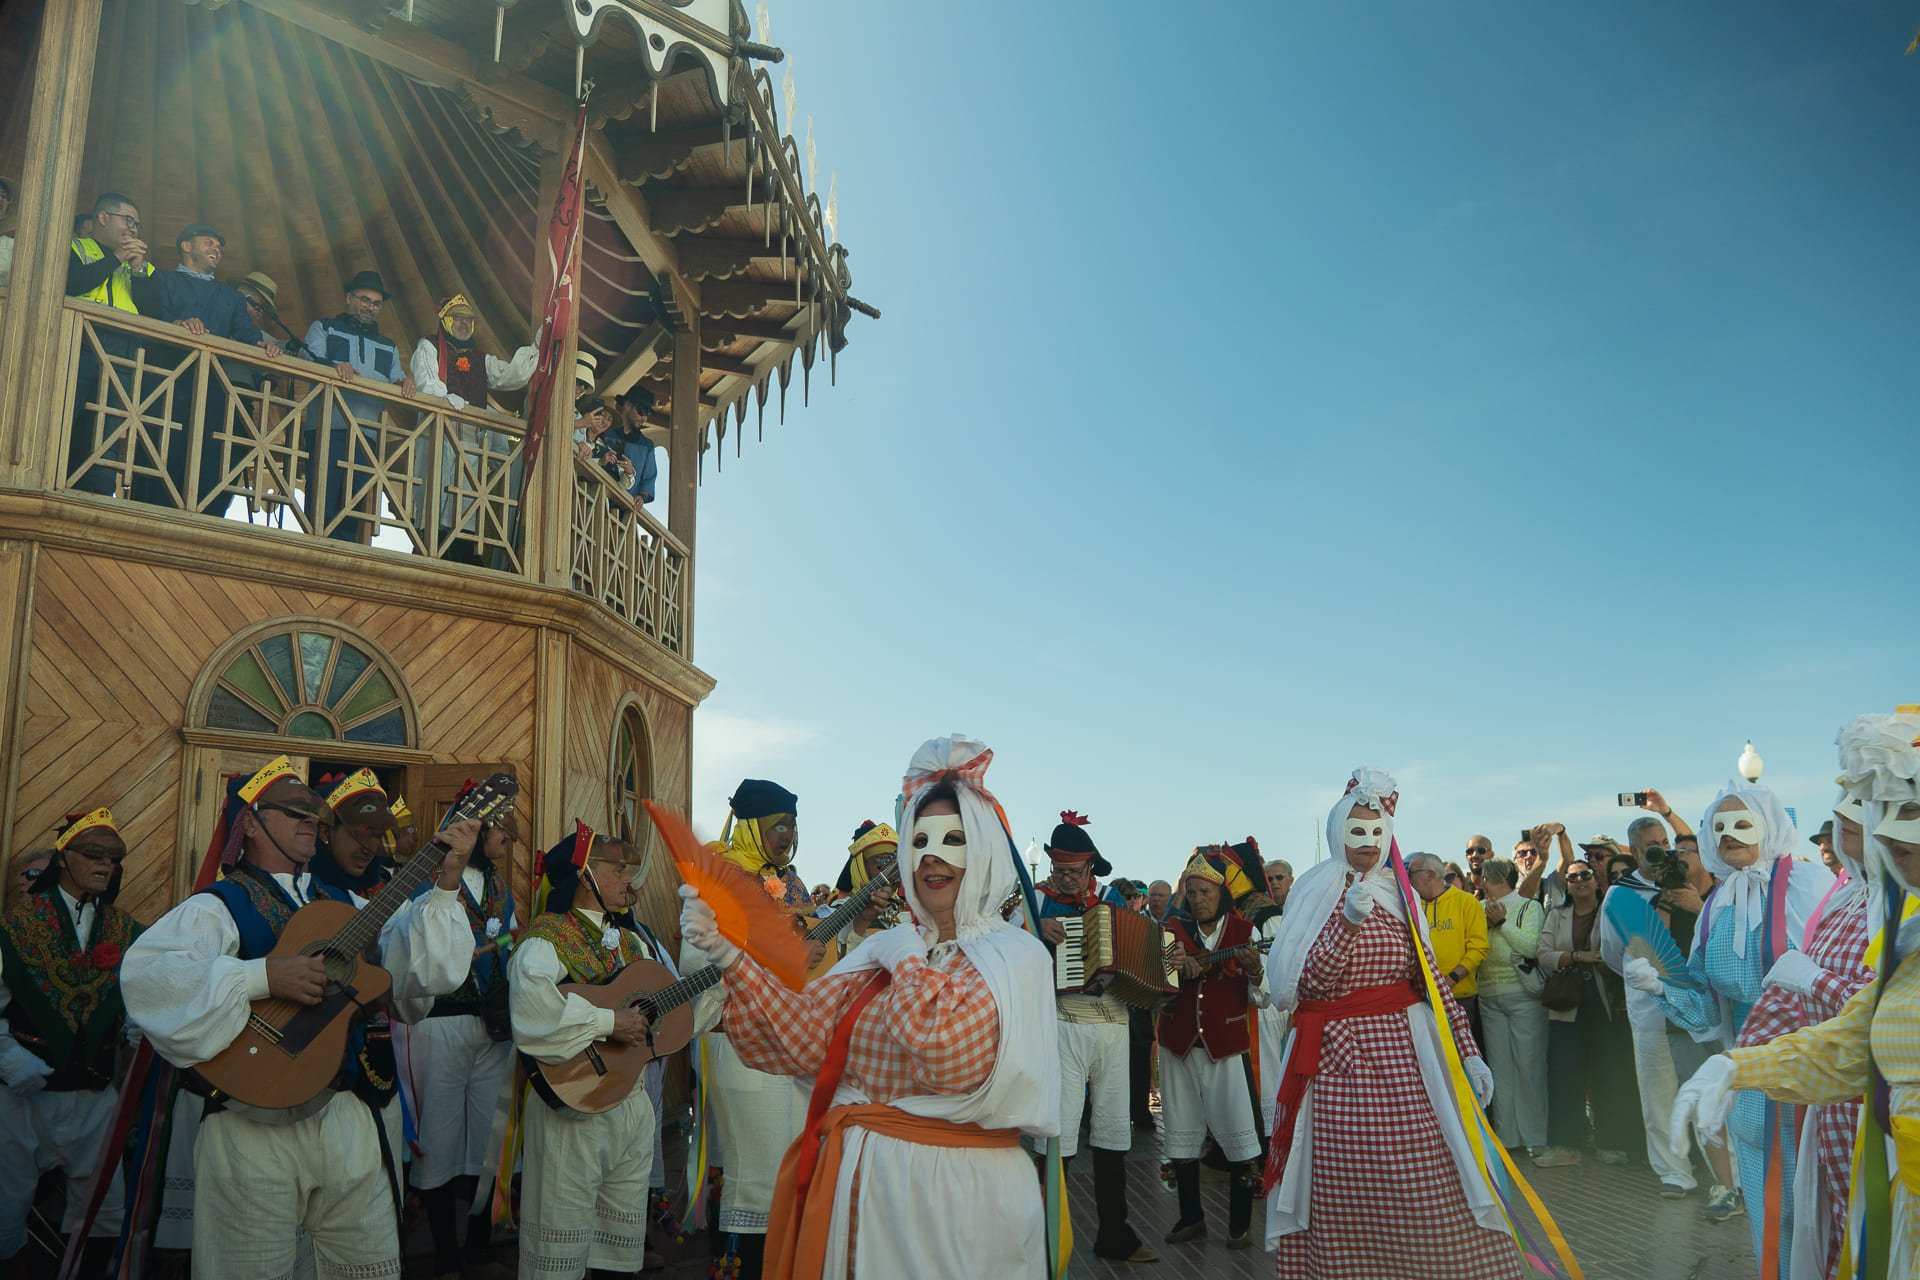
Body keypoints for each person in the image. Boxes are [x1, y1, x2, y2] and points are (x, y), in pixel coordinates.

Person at [677, 734, 1060, 1279]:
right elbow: (804, 1035)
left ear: (982, 851)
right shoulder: (886, 947)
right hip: (868, 1204)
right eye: (920, 839)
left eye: (953, 839)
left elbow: (948, 1055)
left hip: (959, 1205)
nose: (932, 856)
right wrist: (731, 958)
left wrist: (906, 958)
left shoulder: (1013, 957)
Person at [119, 757, 475, 1279]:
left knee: (364, 1267)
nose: (313, 821)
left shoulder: (349, 905)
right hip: (252, 1122)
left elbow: (424, 976)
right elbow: (151, 981)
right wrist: (263, 977)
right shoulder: (218, 907)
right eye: (297, 811)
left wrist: (445, 886)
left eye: (316, 812)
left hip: (347, 1114)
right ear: (251, 823)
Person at [1670, 712, 1920, 1277]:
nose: (1881, 832)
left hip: (1856, 1121)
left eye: (1905, 810)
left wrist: (1808, 986)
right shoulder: (1879, 913)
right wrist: (1735, 1065)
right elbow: (1857, 1038)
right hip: (1821, 1103)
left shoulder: (1815, 888)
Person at [1263, 767, 1524, 1280]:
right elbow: (1305, 985)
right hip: (1338, 1061)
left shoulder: (1399, 894)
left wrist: (1468, 1051)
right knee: (1349, 1184)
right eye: (1357, 831)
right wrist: (1345, 925)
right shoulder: (1316, 892)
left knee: (1432, 1174)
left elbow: (1430, 977)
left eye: (1377, 831)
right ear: (1339, 831)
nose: (1367, 842)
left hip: (1410, 1054)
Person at [1624, 780, 1835, 1264]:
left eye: (1743, 824)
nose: (1729, 835)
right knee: (1769, 1210)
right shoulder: (1717, 906)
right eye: (1719, 827)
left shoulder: (1811, 887)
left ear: (1769, 827)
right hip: (1746, 1076)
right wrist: (1660, 987)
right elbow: (1705, 1003)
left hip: (1810, 1074)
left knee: (1813, 1209)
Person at [508, 826, 659, 1280]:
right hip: (573, 1107)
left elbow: (668, 1008)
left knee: (618, 1248)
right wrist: (611, 1022)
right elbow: (533, 1014)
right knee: (561, 1233)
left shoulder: (633, 942)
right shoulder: (544, 941)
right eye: (617, 869)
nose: (627, 878)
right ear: (584, 877)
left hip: (629, 1104)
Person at [681, 779, 814, 1280]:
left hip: (788, 1041)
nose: (789, 835)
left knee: (787, 1162)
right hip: (738, 1039)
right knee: (754, 1170)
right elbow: (697, 960)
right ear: (754, 826)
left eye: (793, 825)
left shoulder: (791, 880)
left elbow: (811, 953)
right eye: (780, 824)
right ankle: (737, 1268)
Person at [0, 809, 142, 1272]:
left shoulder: (125, 930)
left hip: (96, 1094)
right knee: (6, 1204)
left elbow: (141, 994)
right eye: (94, 853)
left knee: (105, 1209)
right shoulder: (17, 926)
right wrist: (9, 1059)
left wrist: (135, 1026)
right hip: (25, 1096)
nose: (105, 863)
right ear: (65, 858)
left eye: (114, 856)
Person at [391, 778, 518, 1280]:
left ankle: (480, 1248)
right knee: (439, 1142)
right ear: (472, 828)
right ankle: (445, 1256)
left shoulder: (503, 890)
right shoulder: (426, 879)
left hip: (493, 1031)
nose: (508, 834)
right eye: (499, 825)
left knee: (489, 1138)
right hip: (437, 1025)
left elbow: (502, 945)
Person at [1027, 812, 1156, 1263]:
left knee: (1113, 1134)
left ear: (1089, 868)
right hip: (1062, 1023)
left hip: (1114, 1024)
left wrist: (1166, 956)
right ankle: (1045, 1237)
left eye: (1072, 872)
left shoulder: (1112, 898)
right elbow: (1005, 948)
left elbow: (1140, 946)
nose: (1063, 879)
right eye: (1057, 870)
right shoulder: (1033, 902)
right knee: (1057, 1134)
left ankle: (1114, 1234)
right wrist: (1034, 934)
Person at [1602, 794, 1724, 1201]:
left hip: (1701, 1005)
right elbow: (1612, 954)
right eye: (1651, 847)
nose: (1659, 853)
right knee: (1658, 1093)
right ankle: (1674, 1172)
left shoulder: (1693, 882)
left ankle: (1724, 1174)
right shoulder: (1621, 895)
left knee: (1709, 1090)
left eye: (1664, 843)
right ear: (1634, 851)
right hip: (1651, 1010)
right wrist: (1647, 973)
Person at [1157, 848, 1266, 1249]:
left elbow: (1263, 996)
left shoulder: (1245, 932)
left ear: (1222, 893)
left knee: (1238, 1137)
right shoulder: (1169, 929)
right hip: (1177, 1043)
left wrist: (1254, 968)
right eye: (1192, 891)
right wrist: (1171, 973)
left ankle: (1239, 1225)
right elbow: (1154, 987)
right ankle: (1191, 1218)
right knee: (1182, 1132)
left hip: (1225, 1043)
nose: (1199, 898)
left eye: (1206, 891)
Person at [148, 222, 280, 510]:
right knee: (162, 455)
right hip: (167, 383)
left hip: (213, 388)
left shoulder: (230, 296)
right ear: (186, 246)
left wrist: (263, 346)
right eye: (209, 242)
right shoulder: (161, 279)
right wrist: (175, 324)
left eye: (219, 246)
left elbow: (248, 335)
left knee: (211, 459)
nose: (216, 249)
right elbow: (151, 313)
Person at [408, 294, 537, 564]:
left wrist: (537, 347)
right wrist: (445, 398)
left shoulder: (481, 359)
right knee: (436, 494)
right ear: (445, 320)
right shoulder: (428, 346)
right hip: (438, 434)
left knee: (465, 501)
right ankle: (428, 551)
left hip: (470, 443)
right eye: (458, 318)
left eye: (468, 319)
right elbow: (426, 380)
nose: (464, 324)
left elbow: (510, 375)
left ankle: (462, 553)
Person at [1535, 856, 1641, 1168]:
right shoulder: (1556, 914)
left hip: (1605, 1000)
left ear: (1596, 880)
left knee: (1609, 1073)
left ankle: (1612, 1143)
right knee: (1564, 1074)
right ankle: (1567, 1146)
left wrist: (1601, 959)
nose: (1580, 881)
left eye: (1585, 875)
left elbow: (1625, 951)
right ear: (1565, 884)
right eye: (1572, 877)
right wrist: (1578, 956)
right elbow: (1543, 954)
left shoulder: (1609, 912)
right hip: (1568, 1003)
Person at [301, 270, 415, 542]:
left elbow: (396, 377)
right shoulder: (324, 326)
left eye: (376, 303)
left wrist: (405, 382)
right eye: (365, 300)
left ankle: (344, 569)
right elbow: (307, 358)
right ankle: (314, 558)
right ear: (348, 298)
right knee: (322, 505)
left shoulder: (388, 345)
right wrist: (332, 366)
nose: (370, 308)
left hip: (367, 435)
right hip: (329, 427)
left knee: (356, 508)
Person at [66, 191, 160, 495]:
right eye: (128, 220)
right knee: (68, 420)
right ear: (103, 218)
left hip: (123, 351)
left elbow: (154, 314)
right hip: (78, 342)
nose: (133, 229)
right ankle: (56, 485)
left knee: (106, 433)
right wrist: (116, 257)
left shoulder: (143, 268)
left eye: (137, 225)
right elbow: (73, 284)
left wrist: (136, 269)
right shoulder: (75, 246)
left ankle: (94, 497)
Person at [1476, 857, 1550, 1159]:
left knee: (1529, 1067)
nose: (1482, 881)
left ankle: (1534, 1136)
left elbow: (1532, 947)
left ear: (1500, 878)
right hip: (1488, 995)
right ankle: (1507, 1137)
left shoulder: (1529, 906)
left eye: (1486, 877)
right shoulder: (1477, 909)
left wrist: (1502, 924)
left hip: (1523, 995)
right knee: (1500, 1070)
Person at [1407, 852, 1488, 1050]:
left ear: (1428, 875)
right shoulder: (1412, 908)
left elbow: (1478, 949)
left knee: (1463, 1060)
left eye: (1411, 873)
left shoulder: (1467, 902)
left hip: (1459, 999)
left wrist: (1451, 978)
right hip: (1421, 1000)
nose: (1407, 878)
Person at [826, 820, 898, 958]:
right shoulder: (835, 911)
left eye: (891, 860)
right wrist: (861, 921)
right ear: (861, 867)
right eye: (878, 862)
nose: (886, 870)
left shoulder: (908, 910)